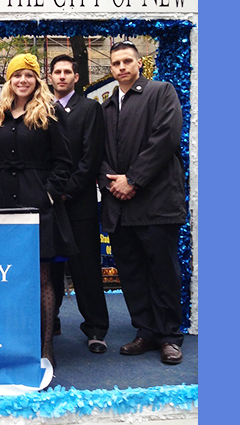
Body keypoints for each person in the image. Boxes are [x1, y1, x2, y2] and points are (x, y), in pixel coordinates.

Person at [0, 53, 77, 370]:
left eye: (29, 75)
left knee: (43, 277)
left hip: (39, 204)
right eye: (17, 75)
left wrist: (48, 192)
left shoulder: (50, 113)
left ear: (37, 80)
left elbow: (64, 162)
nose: (23, 80)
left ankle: (46, 347)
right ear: (9, 80)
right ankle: (11, 343)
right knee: (7, 275)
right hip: (3, 203)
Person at [98, 41, 187, 365]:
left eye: (126, 61)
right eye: (115, 63)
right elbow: (98, 153)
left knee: (162, 271)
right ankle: (145, 331)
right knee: (132, 273)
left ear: (139, 65)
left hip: (157, 203)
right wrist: (112, 181)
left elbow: (166, 137)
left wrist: (133, 179)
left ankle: (168, 337)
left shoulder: (161, 92)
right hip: (120, 207)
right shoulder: (107, 107)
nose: (121, 67)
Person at [48, 54, 110, 354]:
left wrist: (66, 191)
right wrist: (49, 192)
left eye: (67, 72)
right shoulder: (42, 109)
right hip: (49, 204)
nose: (61, 76)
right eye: (57, 72)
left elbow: (90, 158)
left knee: (85, 269)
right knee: (52, 267)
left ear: (76, 77)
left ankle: (96, 328)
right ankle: (52, 319)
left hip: (79, 202)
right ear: (50, 77)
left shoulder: (89, 108)